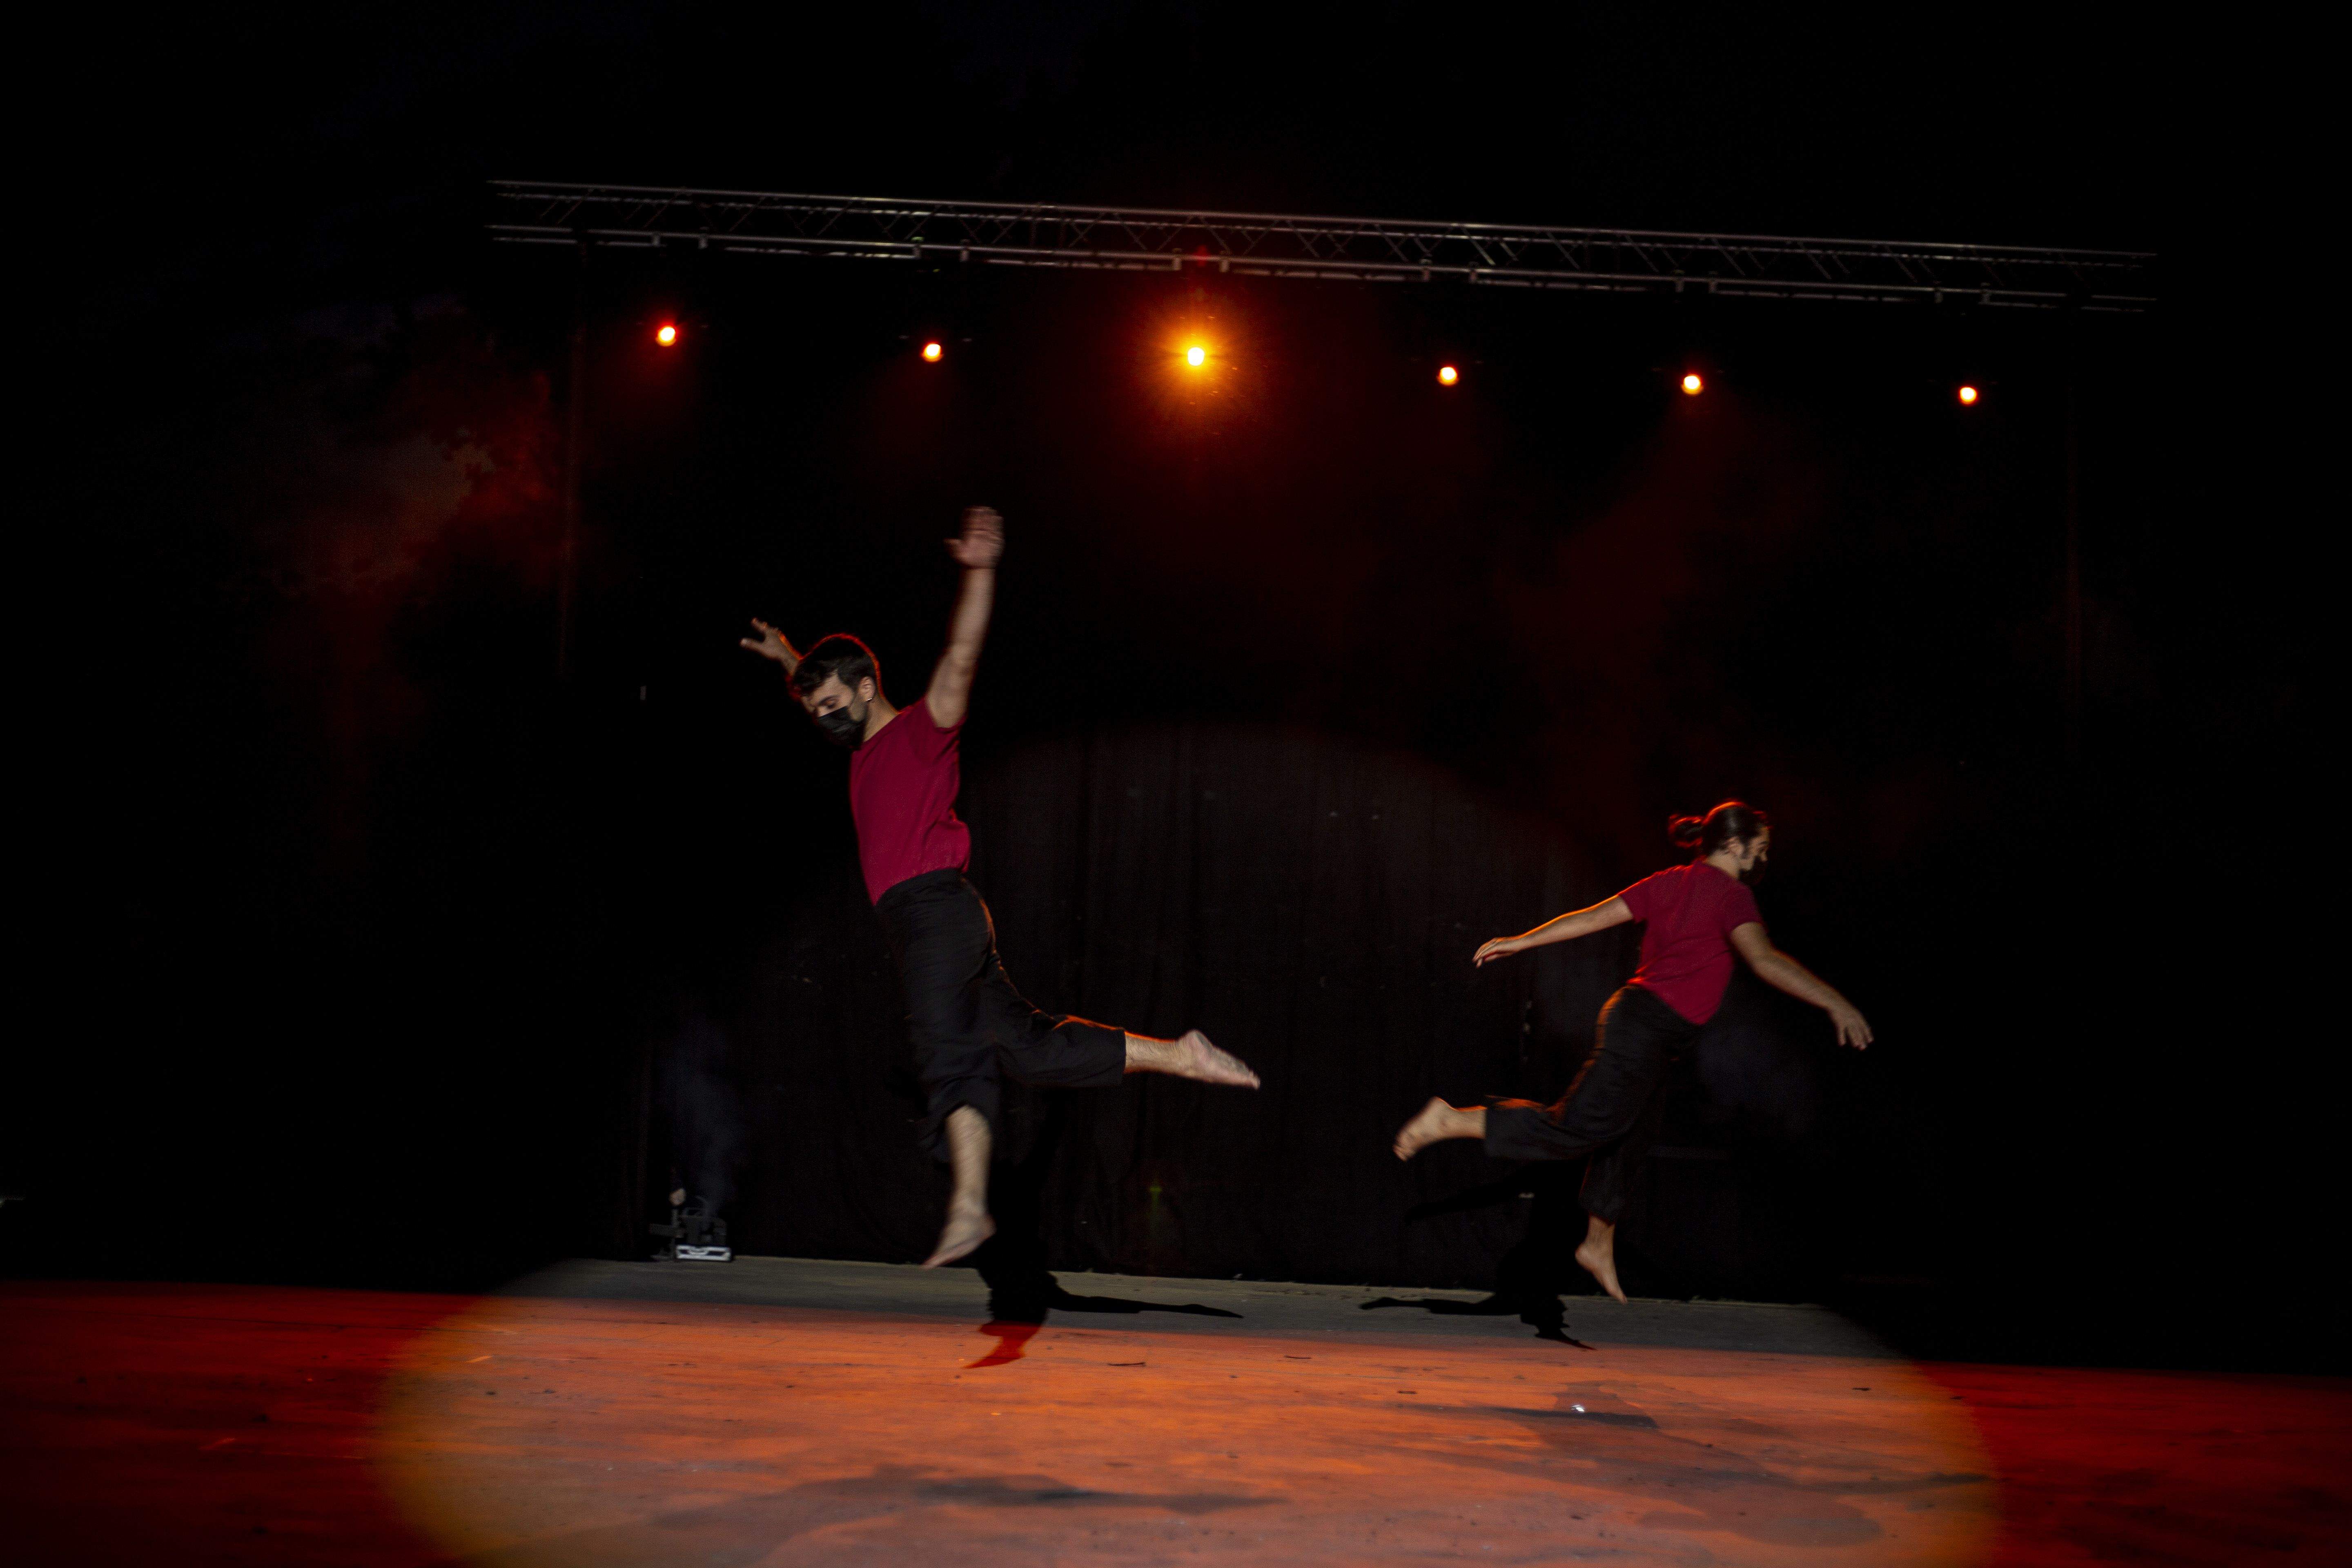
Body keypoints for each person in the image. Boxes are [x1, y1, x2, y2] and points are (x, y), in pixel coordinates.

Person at [742, 506, 1260, 1268]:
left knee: (945, 1047)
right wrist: (790, 659)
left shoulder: (922, 732)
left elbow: (960, 657)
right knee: (1029, 1050)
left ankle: (968, 1205)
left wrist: (980, 573)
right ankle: (1179, 1055)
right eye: (814, 712)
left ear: (866, 687)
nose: (825, 722)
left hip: (934, 912)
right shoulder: (860, 750)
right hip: (934, 922)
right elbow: (817, 684)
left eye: (830, 707)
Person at [1392, 800, 1870, 1302]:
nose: (1764, 858)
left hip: (1652, 1031)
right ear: (1735, 844)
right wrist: (1834, 1001)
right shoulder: (1732, 895)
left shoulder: (1670, 882)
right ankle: (1451, 1120)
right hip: (1644, 1027)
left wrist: (1523, 941)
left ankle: (1598, 1243)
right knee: (1573, 1128)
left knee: (1632, 1135)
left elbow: (1592, 917)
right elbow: (1764, 959)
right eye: (1762, 848)